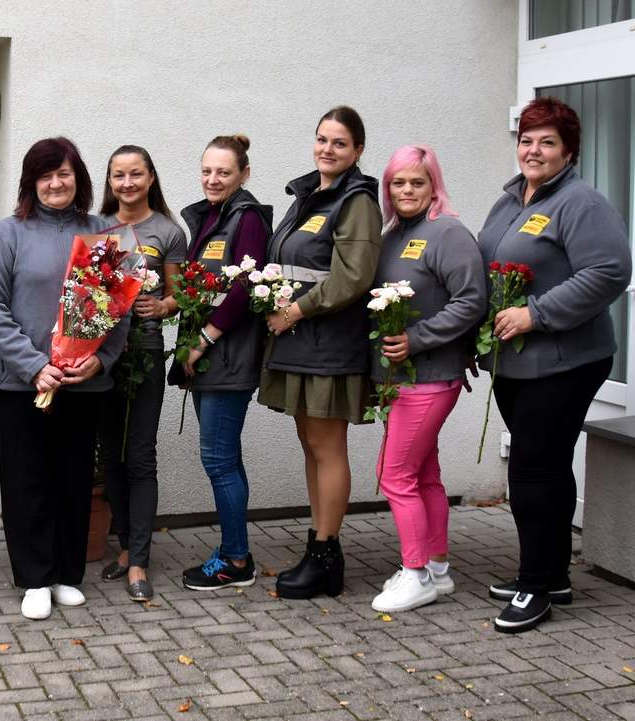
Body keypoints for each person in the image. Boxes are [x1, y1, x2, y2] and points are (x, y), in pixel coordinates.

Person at [478, 97, 631, 633]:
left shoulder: (580, 202)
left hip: (565, 359)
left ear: (568, 151)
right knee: (545, 464)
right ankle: (554, 572)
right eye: (526, 139)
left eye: (547, 141)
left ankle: (536, 584)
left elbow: (610, 270)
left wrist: (535, 314)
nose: (533, 150)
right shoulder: (511, 199)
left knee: (531, 468)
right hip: (517, 362)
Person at [0, 137, 127, 620]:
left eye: (64, 173)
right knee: (27, 481)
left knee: (74, 479)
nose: (56, 183)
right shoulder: (9, 233)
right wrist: (32, 364)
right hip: (27, 384)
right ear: (31, 182)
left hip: (83, 383)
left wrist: (99, 360)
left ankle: (65, 573)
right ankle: (34, 577)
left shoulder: (103, 233)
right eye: (45, 175)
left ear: (78, 177)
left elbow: (118, 311)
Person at [259, 106, 383, 600]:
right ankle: (318, 547)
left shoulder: (356, 201)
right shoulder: (308, 196)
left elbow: (353, 276)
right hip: (298, 341)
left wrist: (297, 311)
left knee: (328, 447)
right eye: (321, 139)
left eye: (339, 143)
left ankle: (328, 555)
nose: (327, 149)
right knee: (311, 444)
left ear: (357, 152)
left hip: (328, 342)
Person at [368, 145, 486, 614]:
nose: (406, 191)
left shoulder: (448, 232)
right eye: (398, 183)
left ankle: (414, 574)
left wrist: (416, 339)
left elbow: (471, 299)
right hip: (401, 377)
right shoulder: (394, 233)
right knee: (424, 473)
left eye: (417, 182)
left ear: (434, 185)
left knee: (394, 475)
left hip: (430, 376)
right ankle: (437, 568)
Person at [176, 136, 273, 592]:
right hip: (210, 359)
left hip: (227, 357)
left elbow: (243, 289)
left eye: (224, 173)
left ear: (244, 175)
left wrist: (202, 339)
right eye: (207, 171)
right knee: (221, 457)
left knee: (219, 459)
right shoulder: (211, 217)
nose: (213, 180)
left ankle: (236, 560)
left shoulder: (246, 217)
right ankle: (234, 552)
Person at [95, 145, 186, 602]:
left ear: (150, 178)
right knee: (111, 454)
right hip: (100, 354)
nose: (127, 183)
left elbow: (179, 294)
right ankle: (126, 548)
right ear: (109, 181)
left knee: (141, 454)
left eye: (135, 174)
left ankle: (140, 560)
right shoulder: (98, 227)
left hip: (145, 351)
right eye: (118, 175)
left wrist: (162, 305)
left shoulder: (168, 231)